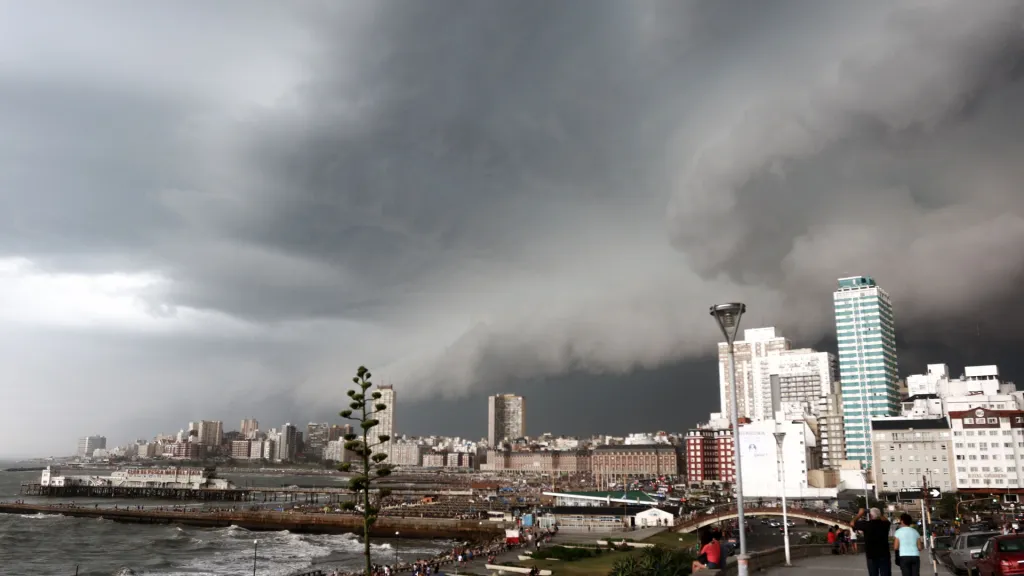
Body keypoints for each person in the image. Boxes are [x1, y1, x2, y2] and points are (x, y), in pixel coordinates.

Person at [852, 507, 893, 576]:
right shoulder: (885, 524)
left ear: (870, 516)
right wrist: (878, 513)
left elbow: (852, 523)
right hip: (884, 554)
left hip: (871, 555)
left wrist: (860, 514)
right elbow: (887, 521)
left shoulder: (866, 525)